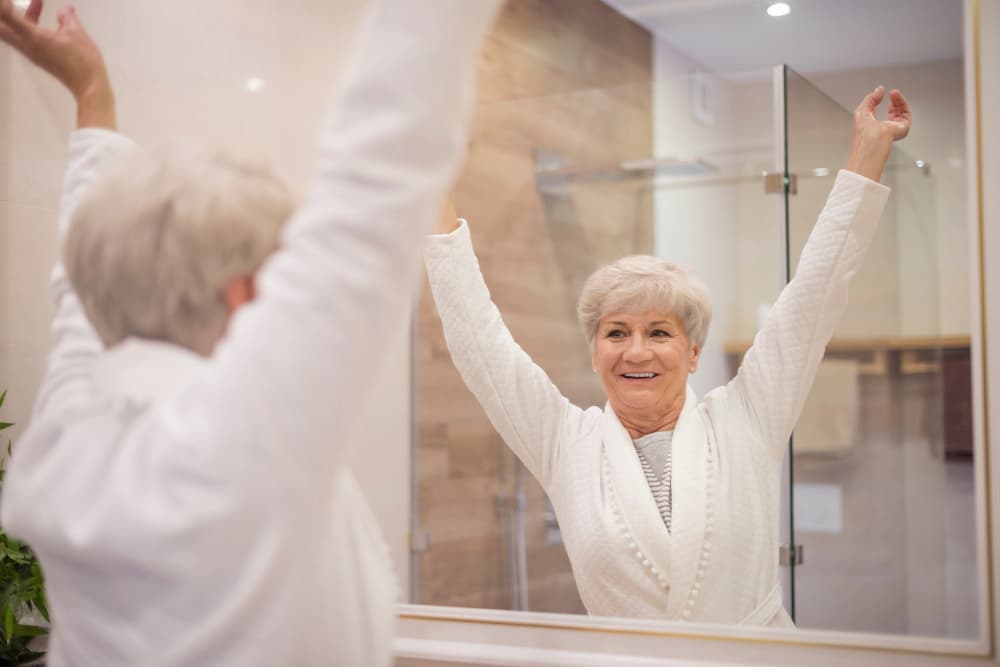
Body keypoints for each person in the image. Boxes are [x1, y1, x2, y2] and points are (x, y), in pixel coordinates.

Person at [0, 0, 501, 664]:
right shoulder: (245, 440)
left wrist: (92, 94)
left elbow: (77, 296)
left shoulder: (62, 440)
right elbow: (382, 162)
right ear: (243, 293)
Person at [426, 86, 910, 626]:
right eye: (615, 333)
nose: (636, 351)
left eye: (659, 332)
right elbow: (478, 340)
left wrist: (868, 154)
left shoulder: (746, 420)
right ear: (594, 352)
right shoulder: (566, 444)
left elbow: (814, 297)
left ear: (694, 351)